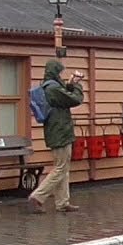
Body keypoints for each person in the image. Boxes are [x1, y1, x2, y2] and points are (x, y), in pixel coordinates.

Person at [28, 59, 84, 213]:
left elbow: (64, 93)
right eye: (60, 72)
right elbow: (74, 99)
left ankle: (62, 202)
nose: (61, 74)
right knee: (60, 167)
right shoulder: (53, 88)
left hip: (57, 131)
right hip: (60, 131)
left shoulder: (49, 86)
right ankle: (37, 196)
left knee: (64, 167)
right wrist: (78, 85)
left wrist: (71, 83)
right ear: (55, 72)